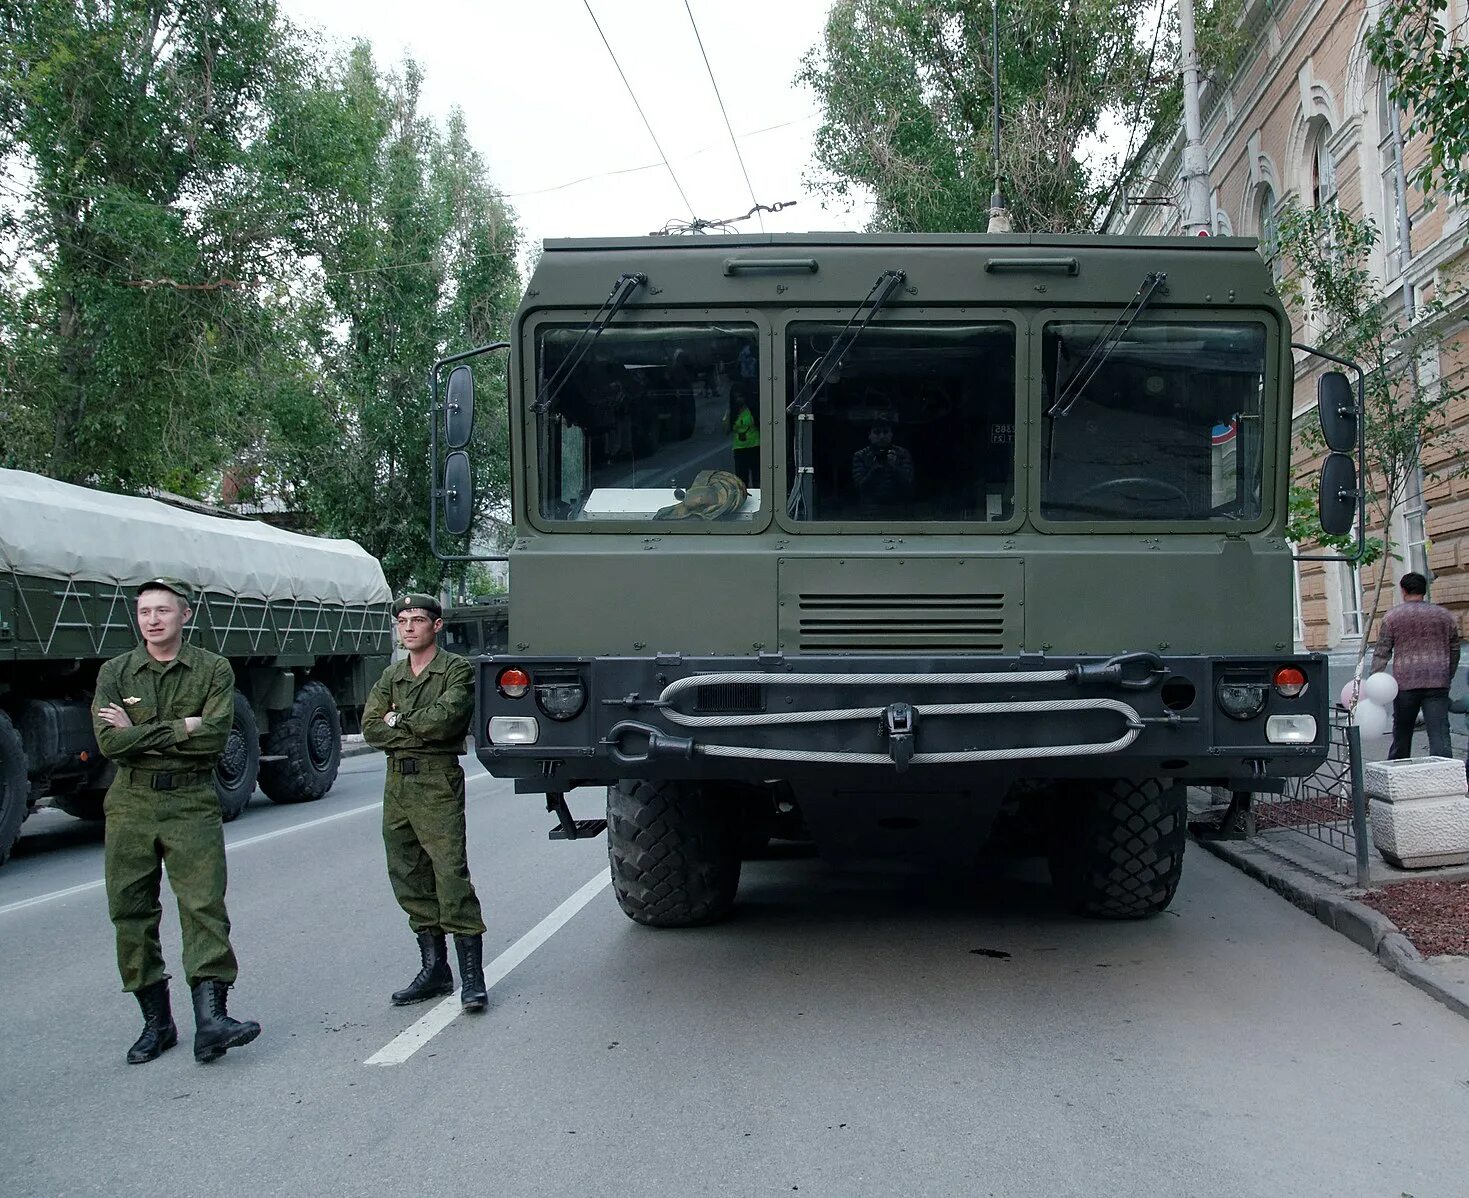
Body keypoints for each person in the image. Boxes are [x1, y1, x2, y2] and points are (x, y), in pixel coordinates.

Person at [92, 578, 260, 1065]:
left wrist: (139, 732)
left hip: (190, 801)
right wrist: (178, 728)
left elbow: (213, 741)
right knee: (131, 910)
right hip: (131, 805)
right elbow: (109, 743)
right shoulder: (116, 672)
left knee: (203, 905)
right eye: (144, 611)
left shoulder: (213, 670)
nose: (152, 620)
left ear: (185, 615)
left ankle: (211, 1021)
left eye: (163, 610)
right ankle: (156, 1023)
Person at [364, 594, 488, 1011]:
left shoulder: (455, 669)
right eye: (402, 621)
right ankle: (435, 970)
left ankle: (472, 977)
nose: (408, 627)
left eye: (417, 620)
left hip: (436, 779)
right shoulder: (392, 675)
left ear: (436, 625)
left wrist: (396, 720)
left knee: (449, 874)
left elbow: (446, 720)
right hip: (396, 780)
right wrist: (406, 726)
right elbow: (369, 728)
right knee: (407, 873)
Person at [1370, 571, 1461, 760]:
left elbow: (1382, 652)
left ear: (1403, 591)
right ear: (1424, 591)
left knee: (1402, 734)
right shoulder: (1444, 616)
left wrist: (1374, 682)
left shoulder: (1392, 617)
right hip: (1437, 682)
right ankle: (1445, 778)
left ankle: (1397, 775)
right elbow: (1454, 650)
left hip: (1405, 684)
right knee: (1440, 735)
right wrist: (1447, 675)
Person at [850, 415, 915, 511]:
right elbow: (860, 488)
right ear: (870, 435)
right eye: (877, 432)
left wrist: (895, 467)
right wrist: (874, 469)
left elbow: (909, 485)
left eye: (885, 432)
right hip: (870, 508)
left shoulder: (902, 453)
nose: (882, 436)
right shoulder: (860, 456)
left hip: (898, 507)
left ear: (891, 434)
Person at [726, 382, 760, 487]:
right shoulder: (733, 412)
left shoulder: (752, 410)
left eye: (740, 397)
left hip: (754, 446)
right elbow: (727, 431)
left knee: (757, 477)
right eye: (735, 397)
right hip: (739, 448)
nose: (738, 400)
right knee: (741, 479)